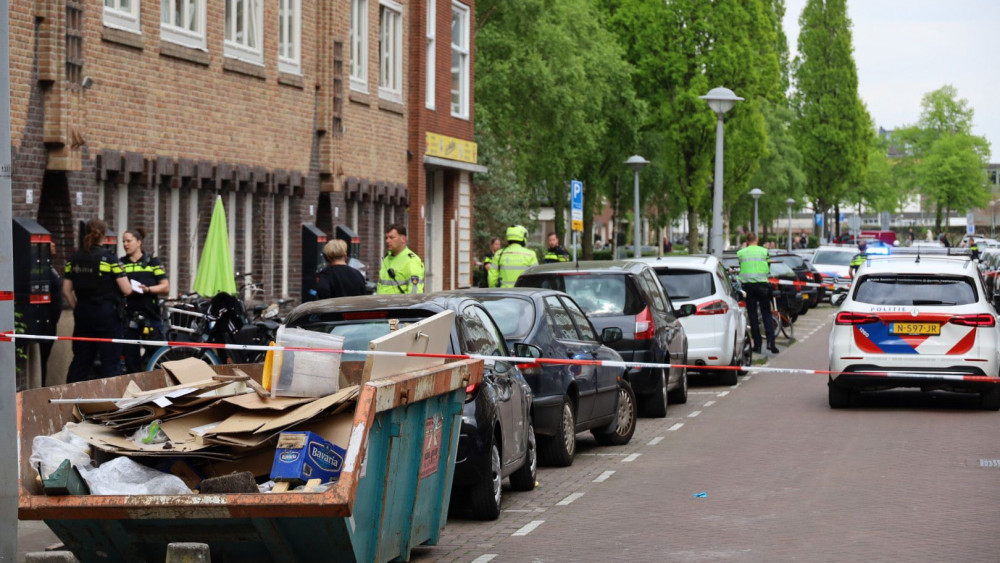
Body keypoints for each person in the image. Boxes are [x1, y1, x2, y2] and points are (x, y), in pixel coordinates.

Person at [63, 218, 132, 383]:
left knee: (80, 362)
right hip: (107, 316)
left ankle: (70, 401)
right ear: (103, 236)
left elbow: (66, 290)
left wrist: (77, 308)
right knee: (111, 364)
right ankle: (110, 405)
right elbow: (127, 290)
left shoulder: (74, 259)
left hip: (83, 315)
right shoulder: (109, 259)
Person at [120, 228, 169, 374]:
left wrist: (148, 289)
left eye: (129, 241)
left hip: (150, 314)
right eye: (123, 241)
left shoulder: (152, 262)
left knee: (156, 353)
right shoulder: (121, 263)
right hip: (128, 314)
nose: (125, 244)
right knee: (130, 355)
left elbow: (165, 287)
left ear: (139, 242)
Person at [738, 232, 778, 355]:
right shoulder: (764, 251)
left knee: (753, 316)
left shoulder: (741, 253)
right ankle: (771, 342)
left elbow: (741, 265)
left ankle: (758, 345)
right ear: (757, 239)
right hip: (762, 286)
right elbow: (768, 266)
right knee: (766, 313)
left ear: (747, 241)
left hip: (748, 288)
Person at [38, 240, 62, 386]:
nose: (54, 245)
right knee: (41, 360)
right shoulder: (42, 269)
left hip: (50, 323)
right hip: (44, 322)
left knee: (45, 358)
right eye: (50, 243)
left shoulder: (50, 267)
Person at [377, 224, 425, 294]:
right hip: (383, 304)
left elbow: (415, 292)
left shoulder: (411, 261)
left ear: (403, 239)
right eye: (386, 238)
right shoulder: (387, 259)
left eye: (391, 237)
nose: (387, 241)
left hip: (400, 305)